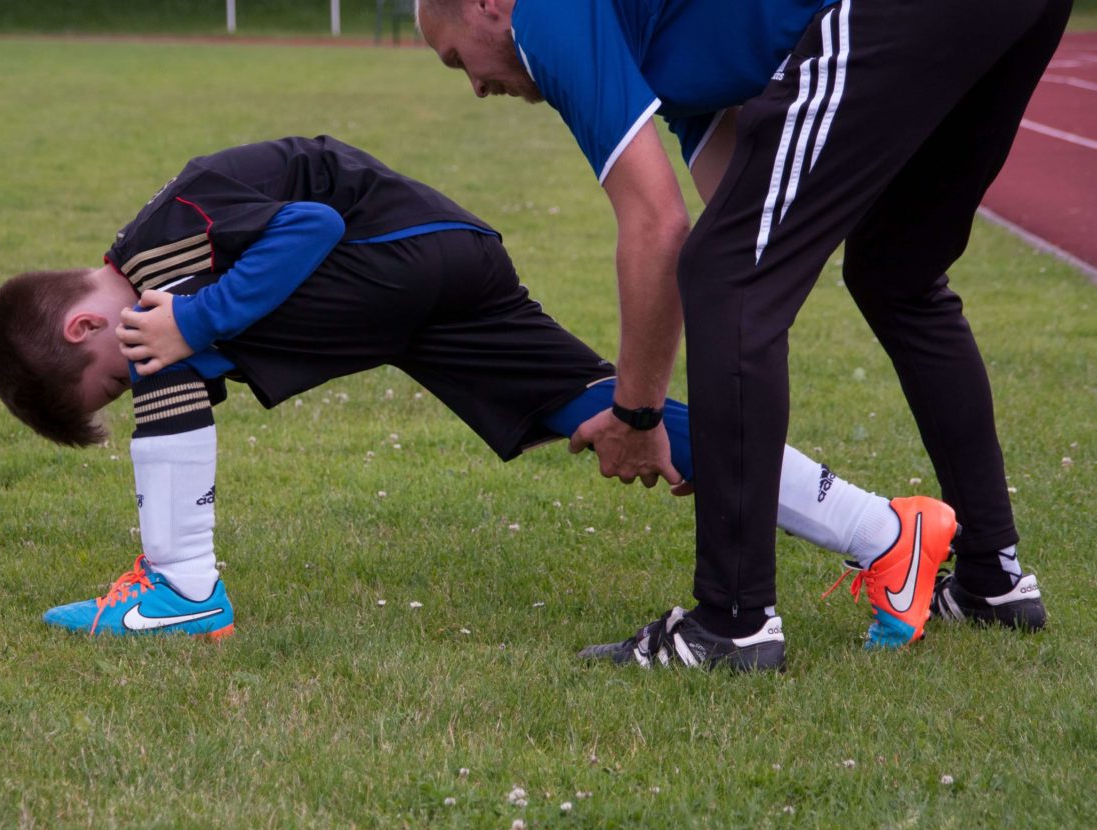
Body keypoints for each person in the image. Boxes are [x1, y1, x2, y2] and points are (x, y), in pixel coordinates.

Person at [0, 135, 949, 667]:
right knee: (611, 414)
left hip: (395, 258)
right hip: (444, 271)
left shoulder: (157, 245)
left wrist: (190, 327)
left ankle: (180, 591)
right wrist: (203, 330)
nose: (126, 370)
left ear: (78, 330)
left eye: (107, 376)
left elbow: (309, 224)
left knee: (170, 338)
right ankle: (886, 531)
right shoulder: (166, 253)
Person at [416, 0, 1058, 669]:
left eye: (458, 58)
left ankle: (733, 622)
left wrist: (637, 415)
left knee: (726, 280)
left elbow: (662, 229)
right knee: (897, 271)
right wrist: (731, 448)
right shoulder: (673, 51)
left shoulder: (542, 14)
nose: (476, 86)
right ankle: (993, 577)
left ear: (487, 4)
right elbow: (753, 220)